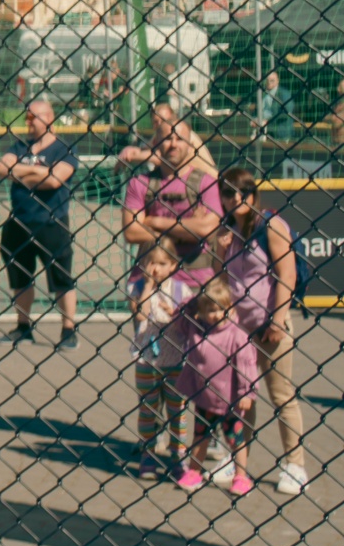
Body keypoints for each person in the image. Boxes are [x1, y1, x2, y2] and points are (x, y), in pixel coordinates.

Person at [209, 165, 308, 495]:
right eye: (228, 192)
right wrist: (220, 249)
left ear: (253, 194)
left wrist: (278, 319)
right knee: (239, 399)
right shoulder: (226, 230)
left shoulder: (271, 226)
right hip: (239, 331)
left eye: (243, 191)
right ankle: (237, 461)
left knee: (281, 396)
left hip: (269, 327)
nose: (235, 198)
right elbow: (218, 279)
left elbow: (287, 275)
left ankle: (295, 465)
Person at [0, 99, 81, 348]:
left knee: (61, 279)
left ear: (49, 118)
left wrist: (20, 172)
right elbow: (2, 168)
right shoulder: (20, 146)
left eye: (34, 117)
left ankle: (68, 330)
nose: (28, 121)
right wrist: (40, 172)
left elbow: (55, 180)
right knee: (20, 277)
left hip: (51, 222)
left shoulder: (64, 148)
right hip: (19, 220)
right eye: (27, 117)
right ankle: (23, 327)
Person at [175, 277, 260, 495]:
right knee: (200, 436)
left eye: (222, 309)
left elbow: (247, 366)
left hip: (230, 400)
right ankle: (194, 471)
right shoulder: (197, 329)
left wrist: (247, 392)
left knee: (235, 439)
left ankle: (241, 476)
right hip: (205, 397)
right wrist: (194, 301)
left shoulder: (237, 335)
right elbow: (179, 319)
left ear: (231, 308)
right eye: (210, 310)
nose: (216, 314)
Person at [125, 239, 193, 481]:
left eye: (162, 263)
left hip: (175, 360)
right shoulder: (137, 287)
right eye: (151, 262)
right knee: (148, 411)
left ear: (173, 265)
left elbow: (189, 325)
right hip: (147, 360)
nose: (156, 268)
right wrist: (148, 286)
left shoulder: (182, 291)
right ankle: (148, 455)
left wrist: (176, 314)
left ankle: (178, 456)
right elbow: (140, 313)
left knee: (177, 412)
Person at [122, 132, 223, 274]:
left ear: (190, 145)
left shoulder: (206, 182)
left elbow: (206, 229)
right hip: (151, 274)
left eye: (179, 139)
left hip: (195, 275)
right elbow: (132, 233)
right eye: (168, 138)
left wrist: (156, 222)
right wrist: (188, 231)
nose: (173, 143)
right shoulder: (140, 182)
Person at [118, 100, 215, 174]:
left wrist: (131, 157)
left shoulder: (184, 134)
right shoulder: (160, 135)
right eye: (156, 121)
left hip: (206, 179)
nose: (160, 124)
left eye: (164, 120)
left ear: (173, 118)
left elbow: (160, 158)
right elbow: (145, 150)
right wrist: (128, 150)